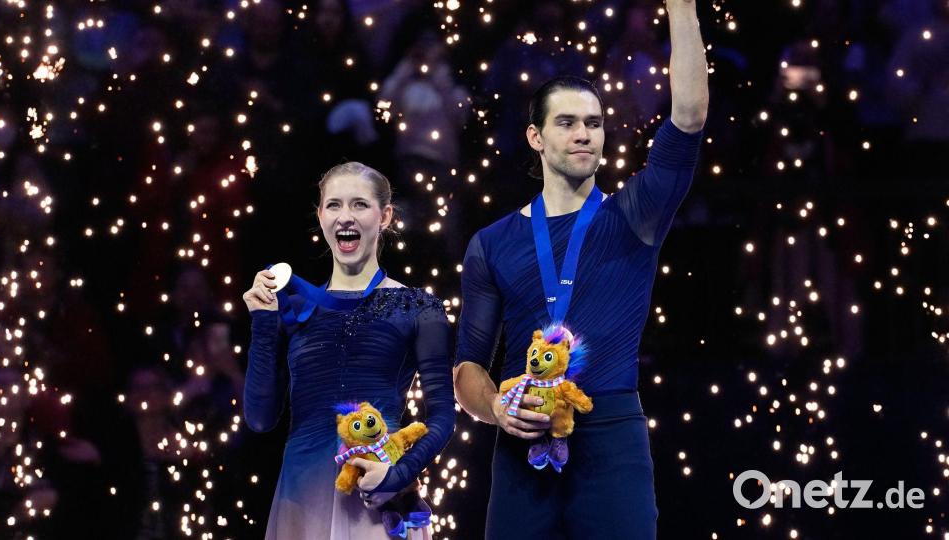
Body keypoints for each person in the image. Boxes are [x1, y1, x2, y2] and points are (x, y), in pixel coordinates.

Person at [452, 0, 709, 537]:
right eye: (566, 123)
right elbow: (467, 367)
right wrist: (497, 407)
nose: (583, 134)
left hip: (612, 439)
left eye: (593, 123)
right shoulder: (491, 244)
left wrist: (681, 7)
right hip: (522, 438)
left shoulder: (634, 216)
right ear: (536, 137)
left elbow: (688, 118)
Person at [243, 161, 455, 539]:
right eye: (334, 205)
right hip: (301, 498)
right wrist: (262, 321)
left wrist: (398, 474)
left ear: (385, 216)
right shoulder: (297, 308)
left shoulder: (418, 307)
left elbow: (441, 417)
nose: (345, 216)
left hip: (376, 495)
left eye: (359, 204)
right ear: (320, 216)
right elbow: (259, 420)